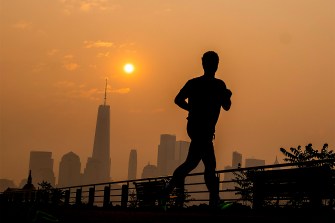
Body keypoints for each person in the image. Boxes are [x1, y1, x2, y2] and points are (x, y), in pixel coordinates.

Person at [165, 51, 232, 208]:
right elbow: (178, 100)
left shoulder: (214, 85)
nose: (213, 65)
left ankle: (167, 190)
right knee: (209, 165)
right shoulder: (208, 84)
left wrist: (192, 109)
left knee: (192, 163)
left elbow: (226, 106)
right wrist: (192, 110)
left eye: (215, 62)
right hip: (200, 129)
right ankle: (215, 200)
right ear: (205, 64)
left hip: (201, 129)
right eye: (212, 62)